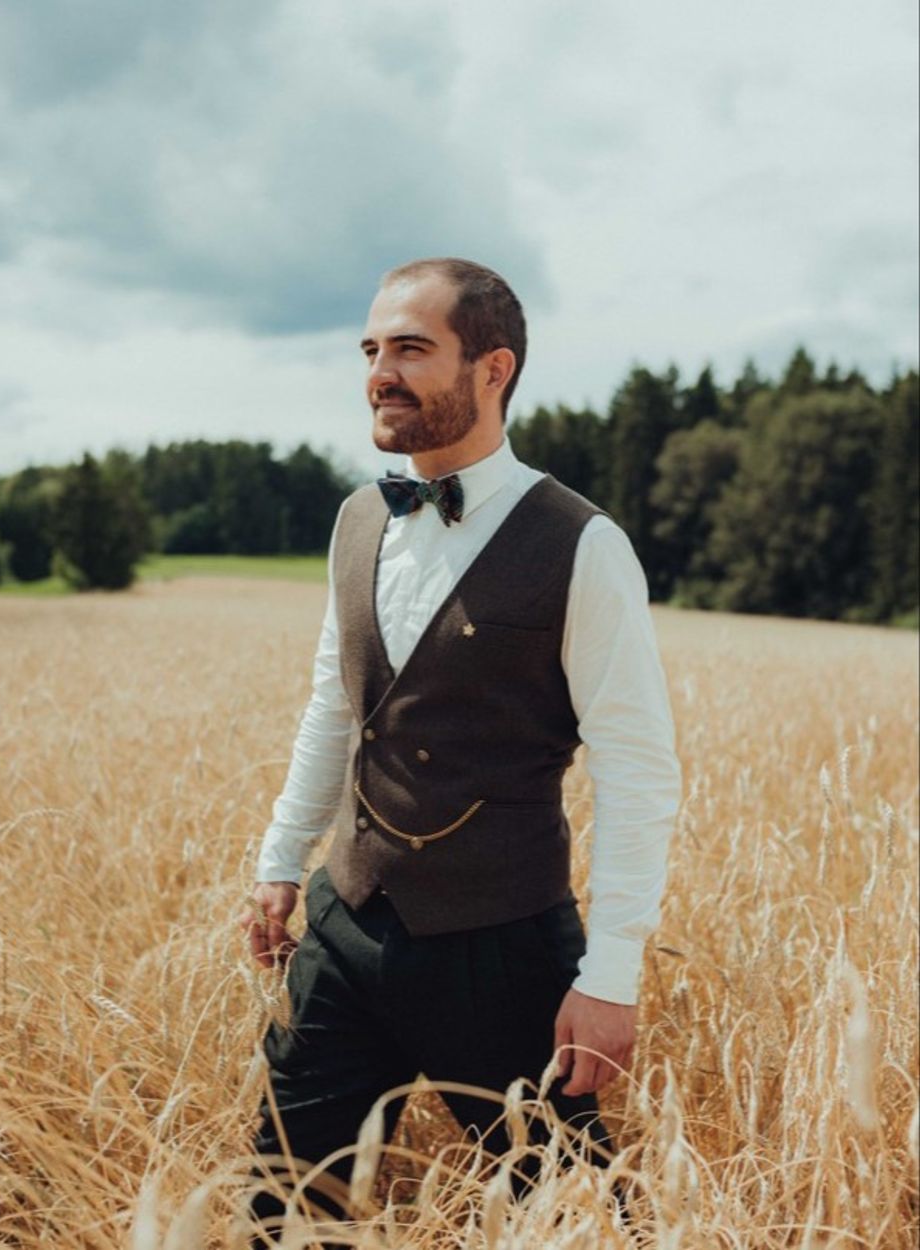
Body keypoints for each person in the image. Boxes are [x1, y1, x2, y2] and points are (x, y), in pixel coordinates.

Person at [241, 258, 681, 1244]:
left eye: (410, 349)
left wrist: (611, 975)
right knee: (281, 1208)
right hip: (343, 930)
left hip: (503, 946)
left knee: (567, 1217)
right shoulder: (359, 519)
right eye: (370, 349)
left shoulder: (582, 544)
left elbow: (637, 767)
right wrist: (282, 861)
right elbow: (334, 703)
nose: (379, 372)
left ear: (493, 368)